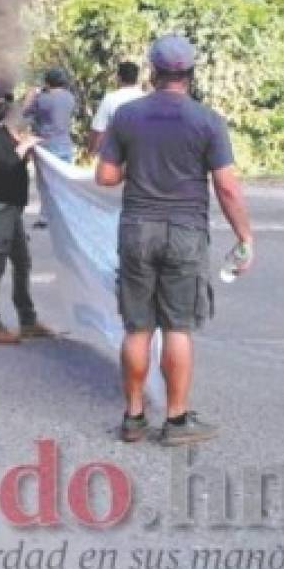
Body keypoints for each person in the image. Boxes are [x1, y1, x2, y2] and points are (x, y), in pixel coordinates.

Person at [96, 35, 254, 446]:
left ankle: (133, 418)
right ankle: (177, 420)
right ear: (190, 73)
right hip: (185, 233)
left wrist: (141, 164)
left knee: (137, 328)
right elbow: (227, 188)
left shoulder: (128, 116)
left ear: (152, 71)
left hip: (136, 230)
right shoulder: (207, 120)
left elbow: (106, 177)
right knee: (178, 328)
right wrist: (244, 236)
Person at [0, 83, 58, 345]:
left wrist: (24, 145)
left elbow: (16, 158)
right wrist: (24, 145)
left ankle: (27, 320)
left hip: (11, 208)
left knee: (22, 262)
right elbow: (7, 163)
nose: (0, 107)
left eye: (2, 102)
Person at [24, 67, 78, 228]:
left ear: (47, 82)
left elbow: (25, 112)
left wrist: (30, 95)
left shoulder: (42, 99)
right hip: (65, 145)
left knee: (46, 184)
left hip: (47, 146)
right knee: (63, 183)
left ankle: (45, 217)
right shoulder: (69, 97)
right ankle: (64, 216)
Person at [88, 61, 144, 155]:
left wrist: (91, 151)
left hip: (115, 157)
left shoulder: (110, 99)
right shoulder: (145, 98)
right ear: (136, 79)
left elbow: (98, 130)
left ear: (119, 78)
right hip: (140, 156)